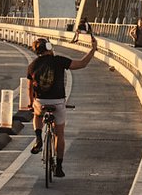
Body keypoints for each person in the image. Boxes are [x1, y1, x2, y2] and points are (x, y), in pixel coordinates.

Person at [23, 30, 98, 172]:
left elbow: (30, 90)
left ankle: (38, 138)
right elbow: (82, 64)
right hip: (58, 102)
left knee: (37, 114)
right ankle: (59, 166)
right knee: (59, 134)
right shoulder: (59, 61)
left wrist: (31, 103)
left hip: (41, 101)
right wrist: (93, 49)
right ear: (49, 48)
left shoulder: (32, 66)